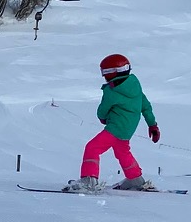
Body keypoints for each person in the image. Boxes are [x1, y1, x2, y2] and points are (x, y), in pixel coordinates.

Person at [66, 53, 159, 193]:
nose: (104, 76)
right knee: (122, 151)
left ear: (116, 71)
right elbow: (145, 106)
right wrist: (152, 125)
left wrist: (103, 118)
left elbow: (103, 110)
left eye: (106, 72)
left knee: (92, 147)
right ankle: (135, 178)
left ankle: (88, 180)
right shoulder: (135, 86)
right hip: (128, 128)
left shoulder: (112, 90)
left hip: (116, 127)